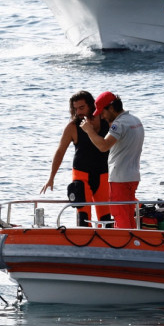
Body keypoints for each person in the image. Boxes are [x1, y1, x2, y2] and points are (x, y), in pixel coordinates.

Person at [40, 90, 111, 227]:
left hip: (103, 175)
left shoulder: (105, 122)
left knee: (106, 219)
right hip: (81, 176)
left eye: (82, 108)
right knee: (83, 219)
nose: (78, 112)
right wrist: (51, 177)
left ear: (91, 106)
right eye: (75, 109)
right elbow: (60, 152)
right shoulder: (72, 127)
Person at [81, 91, 144, 229]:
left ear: (111, 108)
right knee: (127, 214)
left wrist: (89, 130)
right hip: (133, 176)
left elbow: (103, 146)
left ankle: (124, 247)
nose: (102, 117)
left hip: (119, 178)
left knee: (120, 215)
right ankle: (132, 244)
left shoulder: (119, 124)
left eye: (102, 112)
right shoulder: (135, 120)